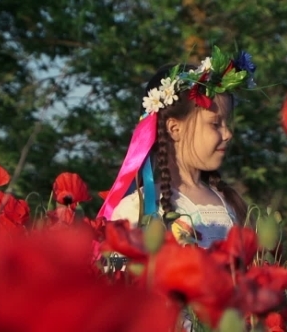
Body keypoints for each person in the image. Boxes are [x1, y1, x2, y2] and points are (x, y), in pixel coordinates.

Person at [98, 46, 256, 248]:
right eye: (215, 124)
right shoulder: (138, 209)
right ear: (174, 128)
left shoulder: (229, 204)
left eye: (226, 124)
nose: (228, 134)